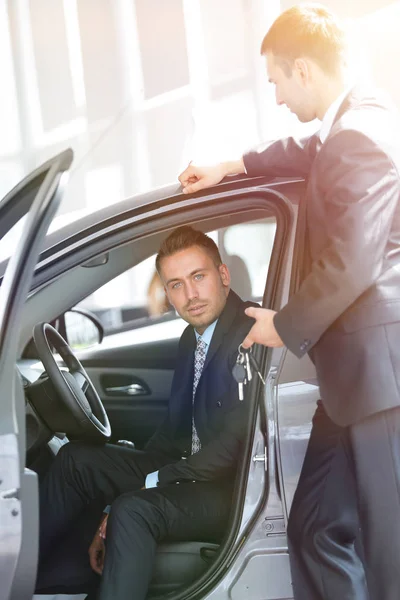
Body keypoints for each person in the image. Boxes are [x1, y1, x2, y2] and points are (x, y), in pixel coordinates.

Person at [178, 4, 400, 600]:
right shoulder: (346, 127)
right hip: (350, 382)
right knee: (315, 524)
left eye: (275, 80)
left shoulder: (362, 136)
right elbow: (307, 148)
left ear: (302, 69)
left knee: (391, 556)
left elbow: (353, 261)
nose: (274, 94)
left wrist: (285, 325)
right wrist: (235, 165)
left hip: (383, 381)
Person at [36, 225, 256, 600]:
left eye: (198, 277)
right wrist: (129, 478)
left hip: (229, 488)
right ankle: (23, 569)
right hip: (188, 467)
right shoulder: (192, 337)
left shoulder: (250, 335)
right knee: (76, 461)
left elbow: (231, 450)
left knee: (133, 509)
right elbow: (172, 431)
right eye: (175, 284)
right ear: (167, 293)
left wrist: (148, 484)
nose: (190, 294)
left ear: (222, 275)